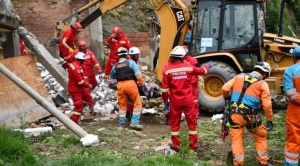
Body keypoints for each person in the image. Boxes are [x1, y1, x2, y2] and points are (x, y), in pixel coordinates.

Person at [161, 46, 212, 152]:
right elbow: (200, 71)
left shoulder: (167, 69)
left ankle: (176, 146)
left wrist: (165, 101)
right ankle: (193, 146)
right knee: (192, 123)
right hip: (188, 100)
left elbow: (165, 90)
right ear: (182, 56)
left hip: (175, 101)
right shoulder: (188, 66)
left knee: (175, 124)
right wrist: (208, 66)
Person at [222, 61, 273, 166]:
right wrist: (270, 119)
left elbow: (224, 88)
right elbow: (267, 105)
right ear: (265, 74)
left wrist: (227, 97)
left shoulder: (238, 77)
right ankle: (263, 162)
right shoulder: (263, 83)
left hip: (234, 115)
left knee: (236, 139)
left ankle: (239, 163)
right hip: (251, 117)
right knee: (261, 136)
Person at [110, 47, 144, 130]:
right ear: (126, 54)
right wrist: (142, 84)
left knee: (122, 105)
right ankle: (134, 122)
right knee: (137, 102)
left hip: (120, 86)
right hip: (131, 84)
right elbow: (138, 74)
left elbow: (112, 76)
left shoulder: (116, 65)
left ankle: (121, 124)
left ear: (118, 55)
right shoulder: (131, 62)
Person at [283, 46, 300, 166]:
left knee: (294, 140)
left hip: (296, 112)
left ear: (294, 57)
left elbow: (290, 94)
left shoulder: (290, 70)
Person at [68, 52, 94, 124]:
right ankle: (73, 122)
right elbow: (80, 82)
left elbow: (78, 76)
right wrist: (88, 85)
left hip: (78, 87)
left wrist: (84, 77)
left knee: (87, 97)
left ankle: (83, 109)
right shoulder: (77, 68)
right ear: (81, 60)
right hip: (76, 89)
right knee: (78, 106)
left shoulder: (74, 64)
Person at [182, 45, 202, 118]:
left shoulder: (193, 60)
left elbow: (199, 70)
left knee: (194, 98)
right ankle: (184, 113)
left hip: (192, 82)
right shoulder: (179, 61)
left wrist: (200, 78)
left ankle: (196, 113)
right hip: (184, 82)